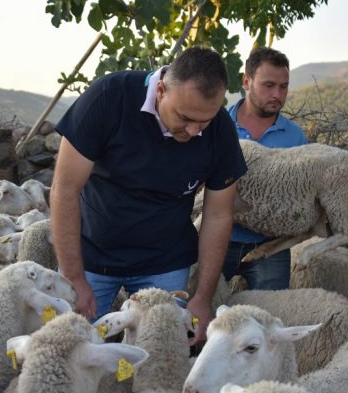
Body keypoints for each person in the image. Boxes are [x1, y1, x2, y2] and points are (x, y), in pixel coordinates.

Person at [50, 46, 247, 345]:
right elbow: (65, 188)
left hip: (164, 263)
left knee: (160, 356)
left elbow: (219, 215)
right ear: (161, 90)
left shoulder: (219, 130)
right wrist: (74, 278)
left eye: (203, 121)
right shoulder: (108, 97)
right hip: (92, 254)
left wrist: (202, 298)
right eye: (184, 117)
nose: (194, 131)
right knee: (74, 348)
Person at [222, 47, 308, 289]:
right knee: (204, 314)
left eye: (283, 86)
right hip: (217, 240)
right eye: (269, 85)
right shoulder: (218, 126)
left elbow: (303, 193)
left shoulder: (295, 137)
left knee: (269, 319)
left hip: (271, 247)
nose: (277, 94)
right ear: (246, 82)